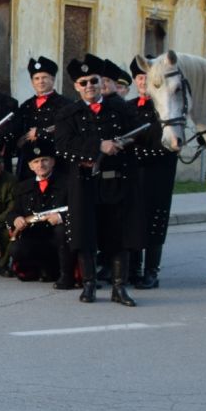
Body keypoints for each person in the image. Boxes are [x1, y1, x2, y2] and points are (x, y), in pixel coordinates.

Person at [53, 55, 146, 305]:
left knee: (119, 236)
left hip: (117, 182)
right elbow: (62, 146)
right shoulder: (67, 114)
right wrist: (98, 146)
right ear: (76, 86)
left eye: (93, 80)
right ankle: (89, 285)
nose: (89, 86)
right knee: (86, 236)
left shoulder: (121, 108)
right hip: (85, 183)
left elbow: (142, 132)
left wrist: (124, 143)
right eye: (83, 82)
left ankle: (119, 287)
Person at [127, 56, 177, 288]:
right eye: (139, 77)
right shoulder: (126, 107)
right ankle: (134, 268)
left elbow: (166, 144)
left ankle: (151, 271)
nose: (143, 81)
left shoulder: (165, 108)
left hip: (158, 173)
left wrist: (136, 153)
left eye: (147, 77)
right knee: (134, 219)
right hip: (132, 175)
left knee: (155, 220)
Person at [1, 140, 66, 283]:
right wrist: (16, 219)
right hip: (34, 236)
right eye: (36, 161)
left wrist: (61, 217)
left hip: (58, 239)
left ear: (53, 162)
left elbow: (78, 210)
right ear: (30, 166)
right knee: (16, 248)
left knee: (61, 234)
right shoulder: (23, 187)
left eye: (44, 160)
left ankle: (58, 271)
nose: (41, 165)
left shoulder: (66, 183)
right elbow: (12, 213)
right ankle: (36, 268)